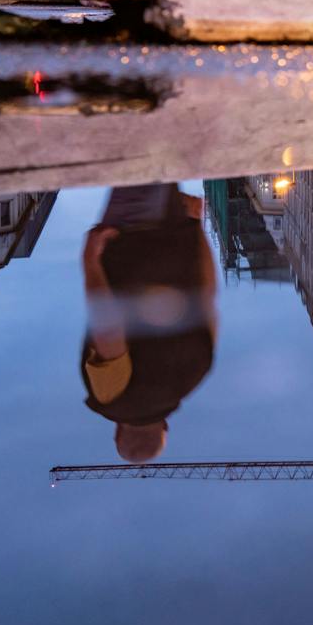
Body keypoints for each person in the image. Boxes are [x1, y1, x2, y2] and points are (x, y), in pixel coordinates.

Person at [81, 185, 218, 463]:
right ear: (118, 431)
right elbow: (109, 331)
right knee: (133, 156)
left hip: (176, 234)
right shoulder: (114, 397)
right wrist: (90, 261)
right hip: (128, 240)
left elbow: (206, 296)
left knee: (160, 156)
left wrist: (195, 224)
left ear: (164, 425)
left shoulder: (195, 375)